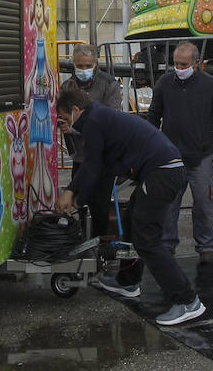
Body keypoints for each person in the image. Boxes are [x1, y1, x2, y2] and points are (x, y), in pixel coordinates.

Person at [53, 86, 205, 327]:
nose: (63, 123)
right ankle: (128, 281)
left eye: (63, 117)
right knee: (134, 222)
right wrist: (77, 194)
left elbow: (91, 166)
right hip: (164, 171)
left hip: (161, 174)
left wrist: (71, 193)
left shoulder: (93, 121)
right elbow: (99, 165)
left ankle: (188, 301)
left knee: (147, 240)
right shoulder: (99, 117)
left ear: (75, 110)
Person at [146, 42, 213, 265]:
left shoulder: (211, 86)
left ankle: (206, 247)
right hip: (170, 158)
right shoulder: (164, 83)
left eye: (183, 64)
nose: (178, 67)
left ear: (196, 63)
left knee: (205, 204)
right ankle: (166, 246)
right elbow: (153, 116)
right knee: (167, 206)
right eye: (176, 63)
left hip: (202, 156)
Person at [59, 44, 124, 234]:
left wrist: (77, 128)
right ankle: (79, 236)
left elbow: (110, 119)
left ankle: (100, 241)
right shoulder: (68, 86)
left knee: (100, 202)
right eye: (79, 65)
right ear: (73, 64)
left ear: (95, 64)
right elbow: (62, 112)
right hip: (80, 154)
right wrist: (62, 122)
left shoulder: (108, 84)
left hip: (103, 154)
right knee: (78, 197)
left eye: (87, 65)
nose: (83, 70)